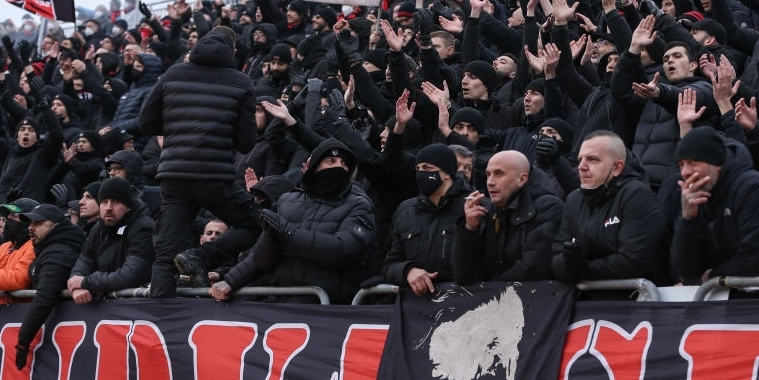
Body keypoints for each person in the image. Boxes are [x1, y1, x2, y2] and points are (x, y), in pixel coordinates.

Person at [137, 27, 263, 298]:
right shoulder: (241, 82)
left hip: (174, 175)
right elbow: (246, 142)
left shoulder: (173, 73)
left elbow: (145, 122)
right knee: (255, 225)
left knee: (165, 254)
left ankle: (158, 321)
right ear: (235, 52)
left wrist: (177, 128)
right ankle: (201, 256)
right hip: (214, 176)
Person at [210, 139, 375, 304]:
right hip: (281, 302)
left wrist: (289, 234)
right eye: (330, 161)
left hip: (328, 306)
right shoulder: (287, 201)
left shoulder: (360, 205)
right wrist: (231, 280)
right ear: (316, 166)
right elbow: (264, 253)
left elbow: (343, 250)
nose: (338, 167)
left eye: (344, 164)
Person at [671, 127, 759, 283]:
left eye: (693, 162)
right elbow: (685, 270)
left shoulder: (753, 189)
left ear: (717, 164)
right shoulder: (694, 196)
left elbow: (752, 262)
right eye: (681, 165)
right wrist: (688, 220)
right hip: (716, 295)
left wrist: (709, 277)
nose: (685, 172)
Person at [550, 131, 663, 284]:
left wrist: (585, 267)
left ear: (617, 167)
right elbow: (556, 259)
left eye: (593, 159)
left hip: (632, 301)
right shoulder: (573, 200)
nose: (581, 167)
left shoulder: (637, 195)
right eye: (580, 160)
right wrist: (571, 265)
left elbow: (632, 262)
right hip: (580, 300)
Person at [452, 150, 562, 284]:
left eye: (499, 174)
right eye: (488, 174)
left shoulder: (548, 207)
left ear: (522, 179)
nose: (490, 182)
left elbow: (532, 268)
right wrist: (469, 229)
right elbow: (464, 277)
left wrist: (491, 290)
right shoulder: (487, 211)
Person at [383, 143, 473, 295]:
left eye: (427, 168)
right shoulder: (406, 210)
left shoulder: (473, 205)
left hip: (464, 304)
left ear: (447, 173)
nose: (421, 173)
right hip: (418, 305)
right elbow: (389, 264)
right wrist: (407, 271)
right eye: (418, 169)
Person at [14, 204, 84, 370]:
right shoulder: (47, 248)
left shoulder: (58, 253)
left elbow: (45, 297)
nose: (30, 228)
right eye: (30, 223)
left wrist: (23, 341)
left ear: (55, 226)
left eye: (37, 223)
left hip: (67, 333)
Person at [66, 177, 155, 303]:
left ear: (128, 207)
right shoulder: (97, 229)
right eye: (104, 202)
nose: (108, 207)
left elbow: (130, 275)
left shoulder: (143, 227)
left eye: (115, 202)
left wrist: (86, 282)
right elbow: (82, 265)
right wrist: (76, 287)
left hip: (138, 307)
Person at [0, 198, 38, 305]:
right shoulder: (5, 246)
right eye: (8, 215)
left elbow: (19, 279)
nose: (8, 219)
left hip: (19, 313)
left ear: (28, 220)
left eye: (14, 215)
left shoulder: (34, 246)